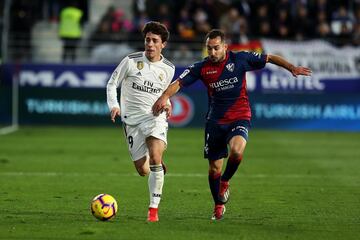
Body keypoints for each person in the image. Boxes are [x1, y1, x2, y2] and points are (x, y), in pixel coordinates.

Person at [152, 29, 312, 220]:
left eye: (216, 48)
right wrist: (164, 96)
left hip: (240, 115)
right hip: (215, 122)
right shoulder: (201, 67)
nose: (212, 52)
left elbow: (269, 58)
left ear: (225, 47)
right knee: (214, 169)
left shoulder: (240, 59)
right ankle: (218, 204)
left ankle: (225, 181)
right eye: (209, 49)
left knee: (237, 150)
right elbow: (179, 83)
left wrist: (291, 67)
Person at [106, 21, 175, 222]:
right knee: (143, 170)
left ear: (163, 44)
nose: (150, 44)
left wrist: (167, 102)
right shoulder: (130, 61)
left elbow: (164, 91)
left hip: (155, 118)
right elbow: (112, 83)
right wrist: (114, 105)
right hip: (131, 122)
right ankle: (158, 164)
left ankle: (153, 210)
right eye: (147, 40)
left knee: (154, 157)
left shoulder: (168, 68)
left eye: (155, 41)